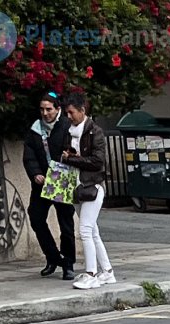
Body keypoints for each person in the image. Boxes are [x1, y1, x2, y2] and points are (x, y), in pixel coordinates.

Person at [60, 91, 115, 290]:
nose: (69, 116)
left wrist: (72, 159)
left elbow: (98, 162)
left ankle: (91, 273)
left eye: (72, 112)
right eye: (67, 113)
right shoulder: (69, 132)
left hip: (93, 186)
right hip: (76, 186)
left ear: (82, 110)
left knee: (85, 230)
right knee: (92, 231)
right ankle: (107, 271)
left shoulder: (95, 132)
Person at [22, 91, 76, 279]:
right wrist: (35, 173)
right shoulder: (35, 129)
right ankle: (53, 257)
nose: (45, 113)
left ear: (58, 109)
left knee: (65, 223)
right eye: (42, 109)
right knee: (36, 218)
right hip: (42, 181)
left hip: (61, 178)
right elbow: (29, 155)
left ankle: (68, 263)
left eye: (49, 109)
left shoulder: (66, 126)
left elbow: (74, 150)